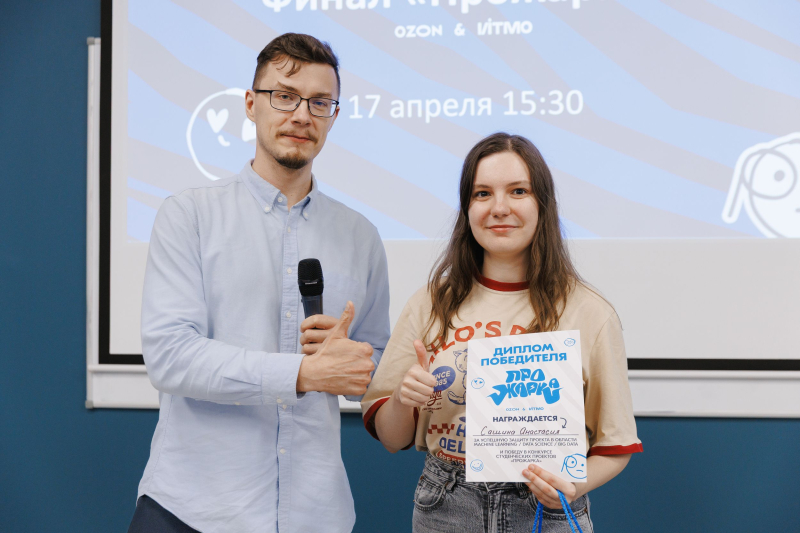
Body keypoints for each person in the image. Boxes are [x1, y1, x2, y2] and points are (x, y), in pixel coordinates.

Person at [128, 34, 390, 533]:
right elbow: (170, 355)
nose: (302, 115)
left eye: (320, 102)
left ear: (333, 115)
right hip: (193, 510)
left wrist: (358, 363)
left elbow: (373, 362)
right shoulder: (189, 215)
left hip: (315, 514)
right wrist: (304, 373)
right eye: (285, 96)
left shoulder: (361, 236)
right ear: (251, 104)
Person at [361, 133, 642, 532]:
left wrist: (571, 487)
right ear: (467, 208)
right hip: (446, 503)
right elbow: (392, 439)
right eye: (482, 194)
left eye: (518, 191)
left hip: (545, 508)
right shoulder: (430, 303)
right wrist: (403, 399)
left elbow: (616, 445)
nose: (499, 208)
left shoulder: (590, 312)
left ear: (542, 204)